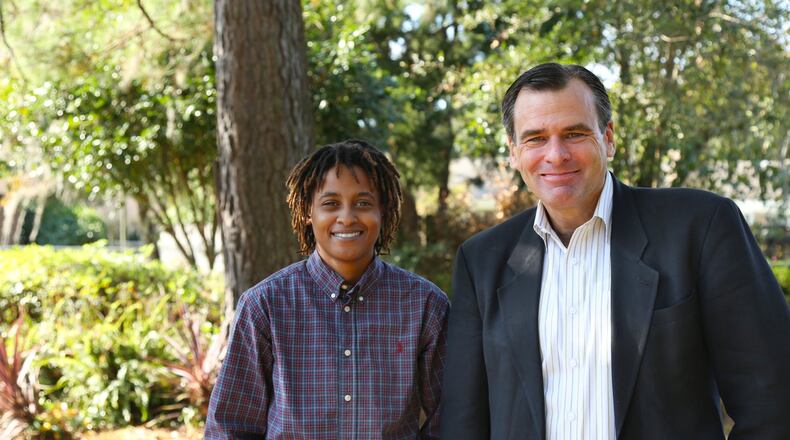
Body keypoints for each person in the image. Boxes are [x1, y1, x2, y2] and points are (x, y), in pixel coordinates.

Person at [440, 63, 790, 440]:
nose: (555, 155)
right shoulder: (482, 261)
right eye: (535, 138)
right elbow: (463, 422)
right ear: (513, 152)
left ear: (608, 138)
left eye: (574, 133)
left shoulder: (700, 226)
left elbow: (772, 399)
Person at [206, 139, 449, 439]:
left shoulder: (425, 306)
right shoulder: (264, 306)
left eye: (363, 203)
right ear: (308, 212)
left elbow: (450, 419)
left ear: (383, 211)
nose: (346, 217)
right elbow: (229, 428)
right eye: (330, 203)